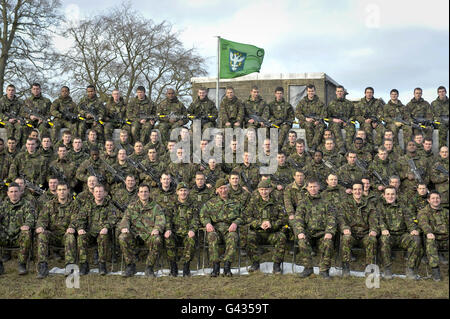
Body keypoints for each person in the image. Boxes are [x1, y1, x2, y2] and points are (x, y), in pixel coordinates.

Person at [119, 184, 166, 277]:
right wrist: (124, 227)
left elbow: (161, 220)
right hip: (135, 235)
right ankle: (130, 266)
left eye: (145, 191)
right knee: (122, 237)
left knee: (157, 240)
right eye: (141, 192)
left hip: (149, 235)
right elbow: (125, 219)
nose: (143, 194)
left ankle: (149, 267)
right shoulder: (132, 207)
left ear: (149, 193)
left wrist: (157, 228)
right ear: (138, 194)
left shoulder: (156, 207)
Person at [69, 184, 116, 275]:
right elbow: (79, 219)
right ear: (93, 193)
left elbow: (113, 219)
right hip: (90, 232)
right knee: (81, 237)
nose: (98, 194)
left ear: (104, 193)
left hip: (102, 232)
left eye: (100, 192)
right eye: (96, 192)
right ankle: (84, 265)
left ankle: (102, 265)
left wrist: (106, 227)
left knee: (103, 237)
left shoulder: (109, 206)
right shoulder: (88, 205)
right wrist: (80, 228)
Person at [294, 179, 337, 279]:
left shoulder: (326, 202)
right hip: (308, 233)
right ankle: (308, 268)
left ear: (319, 187)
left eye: (315, 187)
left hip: (322, 233)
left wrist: (329, 232)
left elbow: (332, 218)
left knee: (328, 243)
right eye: (311, 187)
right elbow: (298, 219)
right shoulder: (303, 202)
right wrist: (300, 232)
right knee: (302, 241)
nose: (313, 189)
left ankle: (324, 270)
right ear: (307, 188)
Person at [243, 179, 288, 274]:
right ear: (258, 190)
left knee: (281, 237)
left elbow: (283, 219)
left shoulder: (277, 203)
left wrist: (272, 224)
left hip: (272, 233)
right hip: (258, 233)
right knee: (250, 236)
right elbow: (247, 217)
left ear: (270, 190)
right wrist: (259, 223)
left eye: (266, 189)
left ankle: (276, 265)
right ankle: (255, 263)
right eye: (261, 189)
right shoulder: (253, 203)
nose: (264, 192)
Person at [200, 178, 242, 277]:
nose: (223, 190)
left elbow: (243, 215)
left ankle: (227, 266)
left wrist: (236, 223)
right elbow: (203, 215)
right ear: (217, 190)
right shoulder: (210, 203)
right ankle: (216, 266)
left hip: (229, 228)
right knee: (212, 236)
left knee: (233, 236)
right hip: (216, 229)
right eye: (221, 188)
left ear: (228, 189)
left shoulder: (235, 202)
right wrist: (207, 223)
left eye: (225, 188)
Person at [378, 186, 422, 280]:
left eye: (393, 194)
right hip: (388, 235)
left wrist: (413, 230)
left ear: (396, 195)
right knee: (384, 240)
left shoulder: (402, 207)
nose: (390, 196)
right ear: (384, 195)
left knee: (415, 239)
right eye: (388, 194)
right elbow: (379, 220)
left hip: (402, 235)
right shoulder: (380, 207)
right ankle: (387, 268)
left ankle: (410, 269)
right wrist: (383, 229)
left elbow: (409, 221)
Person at [35, 182, 78, 279]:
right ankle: (43, 267)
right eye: (59, 190)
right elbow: (42, 219)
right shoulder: (49, 205)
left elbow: (76, 219)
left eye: (64, 190)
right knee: (42, 235)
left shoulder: (74, 205)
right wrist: (41, 226)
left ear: (68, 191)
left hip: (66, 234)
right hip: (53, 235)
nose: (62, 192)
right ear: (56, 192)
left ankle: (69, 267)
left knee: (70, 236)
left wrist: (72, 227)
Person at [338, 181, 379, 276]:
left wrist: (373, 230)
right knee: (346, 238)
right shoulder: (344, 204)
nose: (357, 191)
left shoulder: (369, 204)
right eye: (355, 189)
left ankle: (370, 269)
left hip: (365, 235)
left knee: (372, 240)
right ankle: (346, 268)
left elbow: (374, 219)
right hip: (351, 234)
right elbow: (341, 218)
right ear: (352, 191)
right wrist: (345, 228)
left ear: (363, 190)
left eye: (359, 189)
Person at [164, 182, 199, 277]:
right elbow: (167, 218)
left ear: (188, 192)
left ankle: (186, 267)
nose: (183, 192)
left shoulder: (193, 205)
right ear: (177, 192)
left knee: (191, 240)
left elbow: (195, 219)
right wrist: (168, 229)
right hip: (174, 233)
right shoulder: (171, 204)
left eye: (185, 190)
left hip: (187, 233)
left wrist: (192, 229)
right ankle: (173, 267)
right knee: (168, 238)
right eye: (181, 190)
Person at [0, 183, 35, 275]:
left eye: (16, 191)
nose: (14, 194)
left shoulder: (27, 205)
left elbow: (31, 218)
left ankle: (22, 263)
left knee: (26, 233)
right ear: (7, 193)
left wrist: (27, 225)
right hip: (4, 236)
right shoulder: (2, 206)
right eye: (11, 192)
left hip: (19, 236)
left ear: (20, 192)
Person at [418, 191, 449, 281]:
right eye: (433, 198)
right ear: (428, 200)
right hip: (433, 238)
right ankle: (435, 271)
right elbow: (423, 224)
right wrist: (428, 233)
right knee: (430, 242)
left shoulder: (446, 212)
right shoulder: (423, 212)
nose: (435, 200)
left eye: (437, 198)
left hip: (446, 238)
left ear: (440, 199)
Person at [295, 84, 327, 150]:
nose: (311, 93)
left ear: (314, 91)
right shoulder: (302, 102)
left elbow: (324, 114)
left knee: (321, 126)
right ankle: (310, 147)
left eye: (312, 91)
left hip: (317, 121)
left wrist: (318, 120)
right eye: (309, 91)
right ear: (307, 91)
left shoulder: (320, 102)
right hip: (305, 121)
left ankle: (314, 146)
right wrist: (305, 118)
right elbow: (297, 113)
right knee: (308, 125)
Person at [326, 85, 355, 153]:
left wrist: (348, 121)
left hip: (346, 123)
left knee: (351, 128)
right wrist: (334, 120)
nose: (339, 93)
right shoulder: (331, 103)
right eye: (338, 91)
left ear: (343, 92)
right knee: (335, 126)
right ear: (336, 92)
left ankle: (348, 148)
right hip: (335, 123)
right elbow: (326, 117)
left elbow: (353, 116)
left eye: (341, 91)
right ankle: (341, 148)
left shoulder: (349, 103)